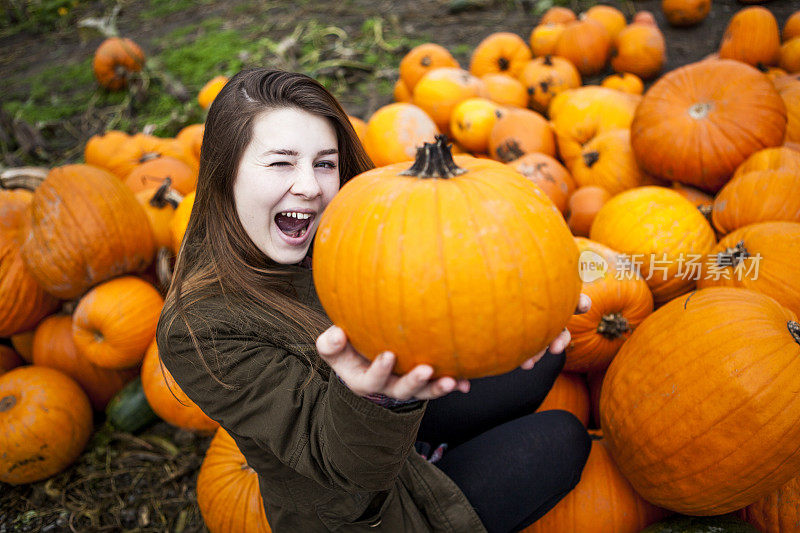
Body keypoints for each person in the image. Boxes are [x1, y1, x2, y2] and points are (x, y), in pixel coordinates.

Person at [156, 68, 592, 533]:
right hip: (361, 496)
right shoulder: (197, 327)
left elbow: (442, 277)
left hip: (402, 406)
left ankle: (433, 438)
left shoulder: (347, 223)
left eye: (325, 163)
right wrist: (379, 396)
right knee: (562, 439)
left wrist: (527, 303)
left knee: (544, 361)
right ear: (225, 173)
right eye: (281, 163)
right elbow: (341, 463)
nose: (310, 185)